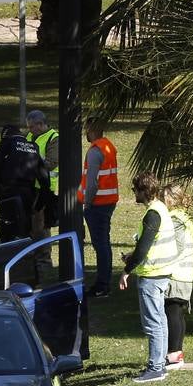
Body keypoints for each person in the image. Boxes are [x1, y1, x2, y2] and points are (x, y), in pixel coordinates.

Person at [119, 173, 176, 384]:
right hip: (162, 271)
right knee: (160, 320)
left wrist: (127, 269)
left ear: (144, 190)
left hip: (152, 275)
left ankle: (155, 369)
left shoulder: (153, 213)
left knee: (153, 323)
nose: (134, 194)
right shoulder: (161, 208)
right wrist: (133, 257)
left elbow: (144, 248)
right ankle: (160, 365)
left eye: (135, 190)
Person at [79, 122, 119, 298]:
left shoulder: (95, 151)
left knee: (100, 244)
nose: (85, 134)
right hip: (108, 201)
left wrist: (87, 203)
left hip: (98, 203)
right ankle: (104, 282)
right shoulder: (108, 146)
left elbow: (92, 182)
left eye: (87, 130)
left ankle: (102, 285)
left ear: (93, 130)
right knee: (103, 242)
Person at [0, 124, 46, 242]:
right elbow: (42, 173)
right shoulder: (33, 146)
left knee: (8, 224)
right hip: (28, 193)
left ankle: (8, 249)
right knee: (25, 225)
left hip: (9, 192)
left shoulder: (7, 143)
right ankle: (24, 249)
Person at [163, 183, 193, 370]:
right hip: (184, 273)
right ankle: (177, 353)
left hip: (176, 273)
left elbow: (177, 246)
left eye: (164, 197)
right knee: (177, 313)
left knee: (172, 312)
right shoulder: (184, 217)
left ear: (172, 199)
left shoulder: (175, 219)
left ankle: (174, 355)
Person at [25, 110, 59, 276]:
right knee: (32, 227)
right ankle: (33, 261)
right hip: (31, 189)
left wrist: (29, 164)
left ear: (40, 124)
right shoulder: (30, 137)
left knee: (42, 228)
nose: (30, 130)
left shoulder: (54, 138)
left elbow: (51, 163)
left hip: (46, 191)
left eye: (32, 127)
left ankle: (45, 264)